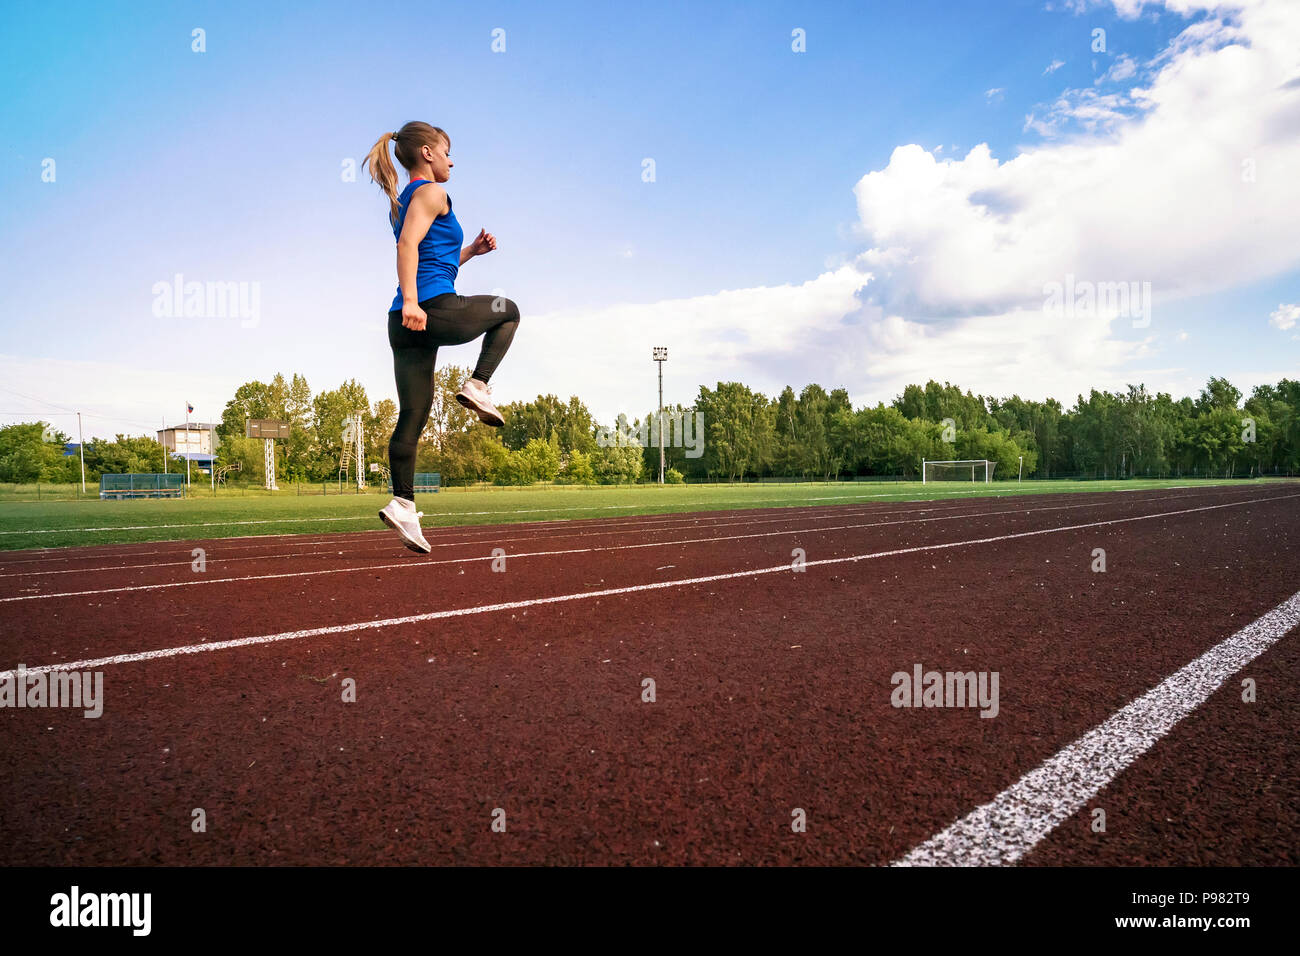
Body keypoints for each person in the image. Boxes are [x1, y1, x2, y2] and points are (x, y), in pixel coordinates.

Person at [364, 122, 521, 553]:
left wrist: (470, 251)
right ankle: (477, 384)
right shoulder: (432, 193)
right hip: (426, 310)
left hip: (405, 322)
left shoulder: (401, 203)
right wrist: (415, 301)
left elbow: (434, 258)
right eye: (447, 152)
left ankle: (403, 504)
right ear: (428, 154)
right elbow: (408, 248)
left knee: (413, 416)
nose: (452, 161)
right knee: (507, 311)